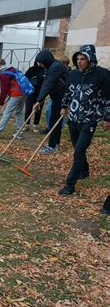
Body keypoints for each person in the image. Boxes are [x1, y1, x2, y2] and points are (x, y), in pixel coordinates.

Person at [58, 44, 110, 195]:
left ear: (90, 59)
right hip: (74, 118)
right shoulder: (73, 74)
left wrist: (107, 117)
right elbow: (69, 91)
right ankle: (84, 170)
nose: (79, 61)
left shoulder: (103, 75)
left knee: (79, 150)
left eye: (83, 59)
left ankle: (70, 185)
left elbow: (108, 97)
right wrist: (64, 105)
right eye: (78, 59)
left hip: (90, 118)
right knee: (78, 148)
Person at [33, 49, 69, 154]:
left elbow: (48, 84)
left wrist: (39, 100)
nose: (39, 65)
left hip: (61, 98)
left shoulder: (55, 67)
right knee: (54, 121)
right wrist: (40, 99)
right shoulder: (50, 67)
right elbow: (46, 83)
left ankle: (52, 146)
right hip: (57, 97)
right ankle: (55, 144)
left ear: (45, 60)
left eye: (39, 62)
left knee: (54, 122)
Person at [0, 59, 26, 140]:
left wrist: (0, 103)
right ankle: (20, 134)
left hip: (16, 94)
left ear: (0, 66)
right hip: (23, 93)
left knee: (7, 113)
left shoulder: (4, 74)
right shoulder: (13, 69)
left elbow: (4, 90)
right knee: (19, 112)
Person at [24, 62, 45, 133]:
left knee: (38, 110)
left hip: (41, 94)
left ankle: (36, 125)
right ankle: (26, 124)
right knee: (28, 109)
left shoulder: (45, 70)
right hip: (31, 93)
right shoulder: (31, 69)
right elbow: (25, 78)